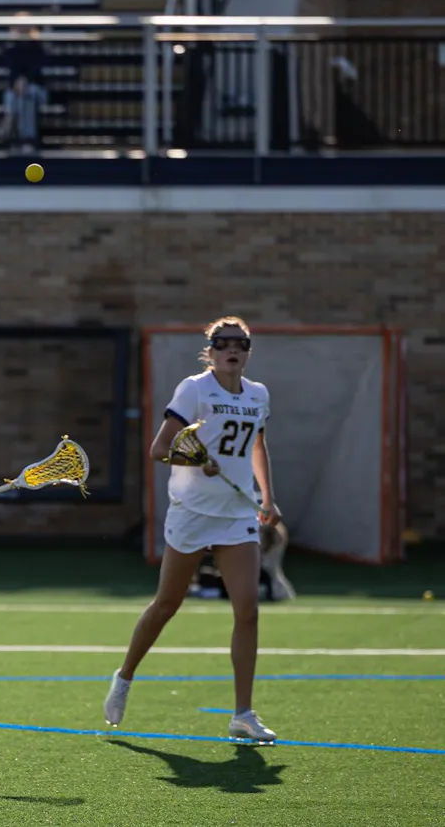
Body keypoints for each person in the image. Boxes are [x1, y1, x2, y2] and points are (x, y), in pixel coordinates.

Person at [105, 316, 280, 742]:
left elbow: (257, 444)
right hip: (193, 511)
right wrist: (196, 461)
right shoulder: (195, 388)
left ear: (248, 351)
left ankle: (243, 713)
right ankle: (124, 676)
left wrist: (267, 496)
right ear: (211, 351)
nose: (231, 350)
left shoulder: (258, 394)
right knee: (167, 604)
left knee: (248, 609)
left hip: (237, 512)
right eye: (222, 344)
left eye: (240, 343)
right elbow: (160, 449)